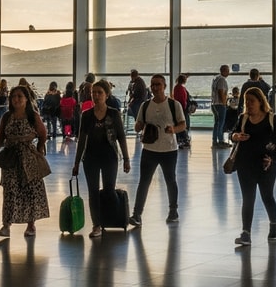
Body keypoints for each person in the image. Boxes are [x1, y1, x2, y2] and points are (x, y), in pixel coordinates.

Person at [0, 84, 49, 237]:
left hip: (29, 157)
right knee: (10, 191)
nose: (16, 99)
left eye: (20, 96)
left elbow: (43, 133)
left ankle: (31, 225)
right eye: (14, 97)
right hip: (11, 158)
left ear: (26, 98)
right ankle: (6, 225)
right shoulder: (7, 117)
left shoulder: (33, 115)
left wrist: (39, 148)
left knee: (31, 190)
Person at [230, 86, 276, 246]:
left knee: (267, 196)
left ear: (260, 102)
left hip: (265, 165)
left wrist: (273, 159)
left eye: (252, 101)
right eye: (246, 101)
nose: (248, 104)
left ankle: (273, 223)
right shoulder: (243, 118)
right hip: (245, 165)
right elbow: (233, 134)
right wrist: (235, 136)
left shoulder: (271, 119)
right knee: (247, 198)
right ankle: (246, 232)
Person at [71, 80, 130, 238]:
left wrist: (126, 158)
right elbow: (82, 140)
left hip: (109, 156)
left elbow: (121, 137)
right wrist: (76, 162)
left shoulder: (114, 114)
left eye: (99, 93)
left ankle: (115, 216)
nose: (96, 96)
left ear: (107, 95)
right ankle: (96, 224)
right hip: (91, 157)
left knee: (109, 189)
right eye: (93, 93)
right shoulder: (87, 115)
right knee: (93, 191)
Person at [129, 74, 185, 227]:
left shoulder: (174, 105)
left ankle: (173, 211)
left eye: (158, 84)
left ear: (164, 86)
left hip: (169, 150)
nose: (155, 87)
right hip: (149, 149)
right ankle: (137, 214)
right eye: (153, 85)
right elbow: (137, 125)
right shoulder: (145, 106)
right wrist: (139, 126)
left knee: (170, 180)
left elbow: (182, 124)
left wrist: (173, 129)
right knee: (144, 182)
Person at [211, 65, 232, 149]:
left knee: (217, 123)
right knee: (220, 123)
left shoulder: (216, 78)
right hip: (219, 104)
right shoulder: (222, 80)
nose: (229, 72)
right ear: (223, 71)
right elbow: (221, 92)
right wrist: (224, 103)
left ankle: (215, 141)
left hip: (214, 104)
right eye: (227, 70)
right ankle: (220, 141)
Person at [170, 74, 193, 149]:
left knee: (178, 123)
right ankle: (185, 140)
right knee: (183, 124)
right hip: (182, 109)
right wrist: (184, 108)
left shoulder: (176, 87)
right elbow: (183, 100)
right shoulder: (181, 88)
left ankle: (180, 139)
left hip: (178, 108)